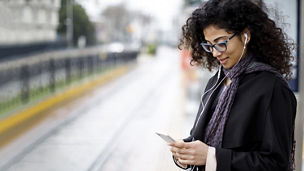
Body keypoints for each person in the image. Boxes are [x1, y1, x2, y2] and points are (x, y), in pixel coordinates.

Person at [168, 0, 297, 171]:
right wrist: (185, 153)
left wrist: (212, 157)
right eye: (209, 45)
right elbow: (200, 137)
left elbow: (276, 164)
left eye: (221, 42)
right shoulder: (216, 81)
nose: (215, 52)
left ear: (245, 36)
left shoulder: (272, 88)